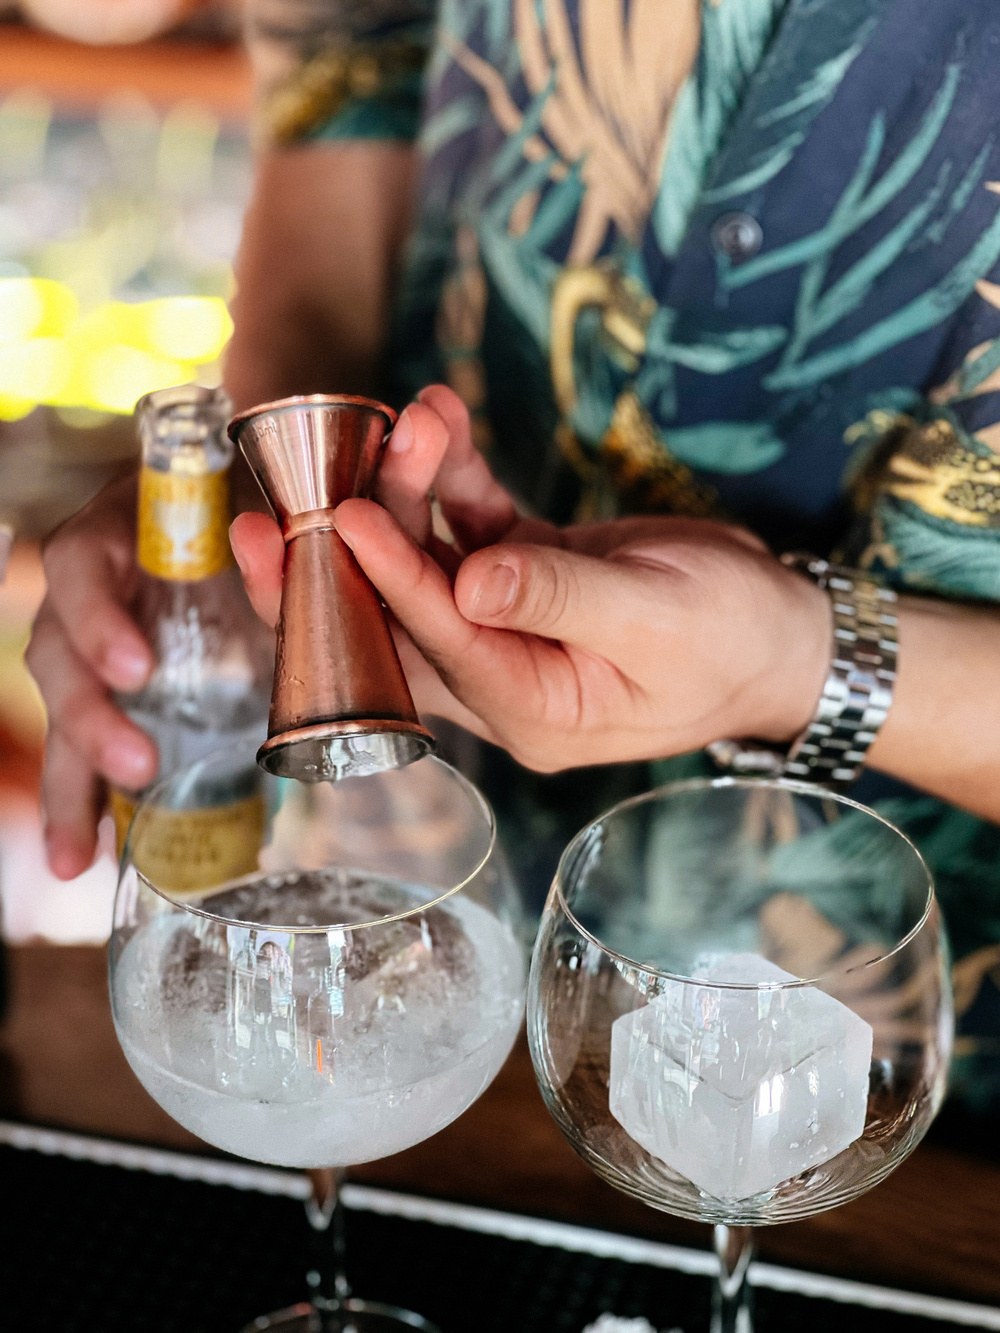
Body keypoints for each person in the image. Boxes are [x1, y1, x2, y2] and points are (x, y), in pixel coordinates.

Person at [27, 0, 1000, 1112]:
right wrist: (289, 490)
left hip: (906, 1070)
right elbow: (355, 59)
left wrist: (797, 665)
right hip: (437, 924)